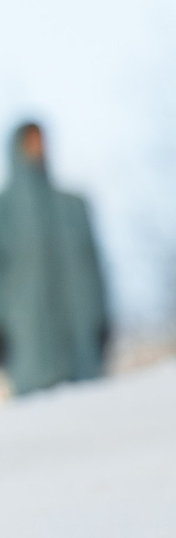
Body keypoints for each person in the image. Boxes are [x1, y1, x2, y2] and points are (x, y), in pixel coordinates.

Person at [0, 121, 112, 397]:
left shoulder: (73, 206)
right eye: (30, 141)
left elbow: (96, 267)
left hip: (82, 346)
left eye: (42, 140)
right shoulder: (5, 213)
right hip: (30, 348)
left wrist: (103, 321)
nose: (38, 148)